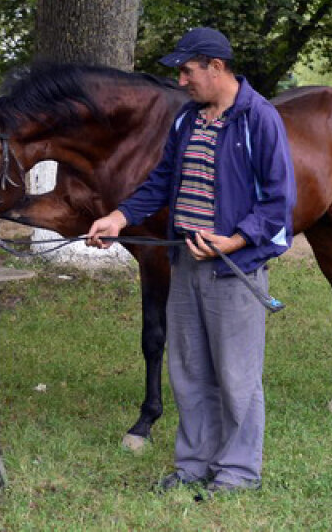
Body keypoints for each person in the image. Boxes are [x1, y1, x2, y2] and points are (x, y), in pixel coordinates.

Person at [86, 27, 296, 497]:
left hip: (233, 269)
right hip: (185, 262)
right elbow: (163, 181)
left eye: (187, 69)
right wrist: (119, 217)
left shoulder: (259, 119)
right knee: (189, 370)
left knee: (236, 374)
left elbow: (279, 204)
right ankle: (194, 464)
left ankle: (238, 472)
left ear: (216, 67)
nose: (181, 80)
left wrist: (236, 240)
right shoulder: (187, 119)